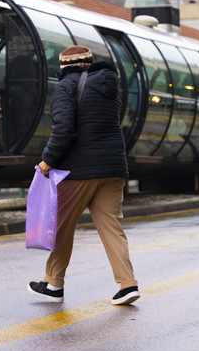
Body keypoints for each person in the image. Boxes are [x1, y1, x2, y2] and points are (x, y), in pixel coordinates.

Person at [29, 45, 138, 306]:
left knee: (61, 226)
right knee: (112, 227)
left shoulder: (66, 86)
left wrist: (48, 160)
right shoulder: (110, 89)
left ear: (65, 66)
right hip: (113, 168)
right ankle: (127, 284)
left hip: (78, 170)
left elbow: (64, 129)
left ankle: (54, 283)